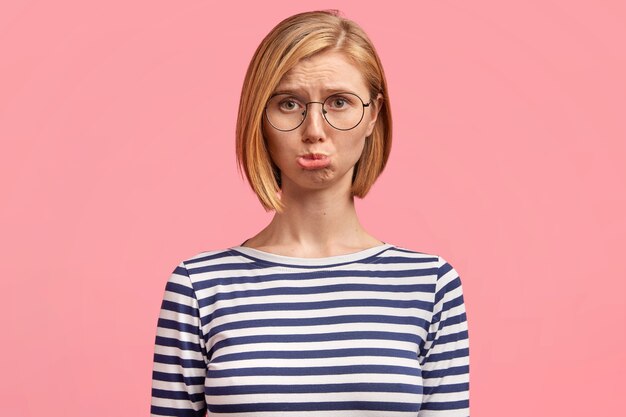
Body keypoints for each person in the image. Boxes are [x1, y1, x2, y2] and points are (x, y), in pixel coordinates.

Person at [150, 10, 469, 417]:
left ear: (373, 115)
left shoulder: (431, 285)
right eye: (288, 103)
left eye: (339, 102)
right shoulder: (198, 287)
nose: (314, 129)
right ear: (257, 118)